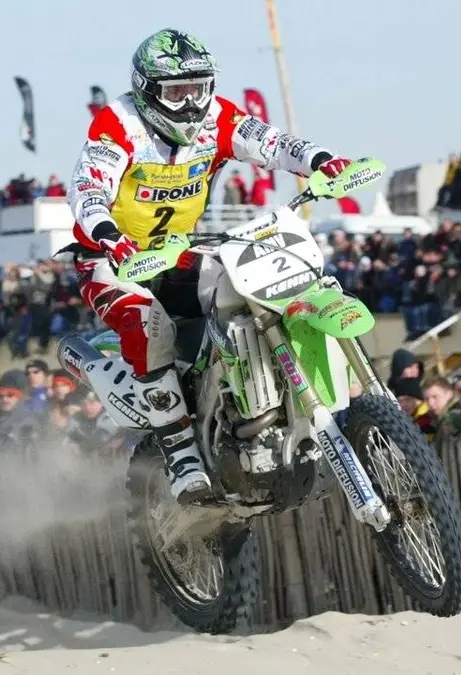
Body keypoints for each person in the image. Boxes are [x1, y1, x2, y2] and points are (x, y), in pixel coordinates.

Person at [65, 29, 355, 502]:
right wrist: (109, 235)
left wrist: (320, 159)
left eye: (198, 88)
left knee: (253, 288)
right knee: (151, 326)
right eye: (176, 92)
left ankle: (252, 403)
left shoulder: (217, 117)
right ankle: (180, 451)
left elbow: (271, 142)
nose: (189, 104)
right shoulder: (118, 124)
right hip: (112, 257)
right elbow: (88, 187)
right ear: (147, 90)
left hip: (180, 248)